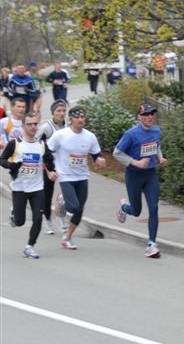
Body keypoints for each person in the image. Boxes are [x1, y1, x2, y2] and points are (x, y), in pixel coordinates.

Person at [46, 106, 106, 249]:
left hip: (82, 176)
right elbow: (47, 152)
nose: (80, 120)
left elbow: (96, 154)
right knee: (73, 206)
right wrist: (51, 170)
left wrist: (99, 160)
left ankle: (67, 237)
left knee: (79, 210)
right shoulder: (61, 135)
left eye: (82, 117)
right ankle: (62, 202)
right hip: (66, 176)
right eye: (77, 117)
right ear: (70, 120)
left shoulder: (90, 136)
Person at [0, 112, 57, 259]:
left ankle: (30, 247)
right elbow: (2, 159)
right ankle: (15, 217)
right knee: (20, 222)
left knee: (38, 218)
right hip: (19, 188)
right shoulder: (15, 144)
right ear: (24, 126)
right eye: (29, 124)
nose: (33, 127)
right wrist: (11, 165)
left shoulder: (41, 145)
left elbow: (49, 161)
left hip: (37, 187)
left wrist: (51, 172)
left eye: (35, 124)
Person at [114, 104, 168, 258]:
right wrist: (135, 162)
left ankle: (152, 244)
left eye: (152, 114)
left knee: (153, 208)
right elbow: (117, 153)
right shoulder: (131, 134)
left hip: (150, 175)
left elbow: (155, 146)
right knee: (136, 211)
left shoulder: (156, 130)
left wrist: (160, 158)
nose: (150, 117)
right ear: (139, 117)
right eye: (146, 114)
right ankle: (124, 207)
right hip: (134, 176)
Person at [35, 99, 69, 234]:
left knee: (67, 195)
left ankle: (61, 218)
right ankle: (48, 221)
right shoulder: (46, 128)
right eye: (58, 111)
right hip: (49, 166)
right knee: (47, 196)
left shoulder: (68, 126)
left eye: (64, 111)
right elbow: (37, 146)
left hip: (65, 165)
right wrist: (47, 168)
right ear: (53, 113)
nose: (62, 113)